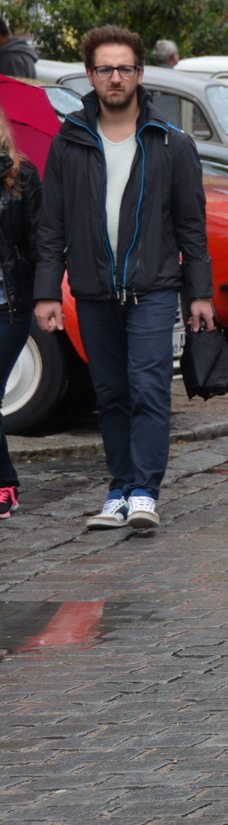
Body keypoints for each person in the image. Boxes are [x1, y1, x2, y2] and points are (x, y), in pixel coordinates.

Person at [33, 25, 215, 530]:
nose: (115, 77)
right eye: (105, 69)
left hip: (153, 288)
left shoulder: (169, 142)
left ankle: (144, 492)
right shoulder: (70, 139)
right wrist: (47, 291)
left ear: (139, 73)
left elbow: (191, 225)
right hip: (92, 290)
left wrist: (199, 292)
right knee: (109, 392)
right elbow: (51, 225)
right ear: (90, 75)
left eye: (125, 68)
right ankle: (117, 488)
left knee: (149, 389)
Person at [0, 108, 43, 519]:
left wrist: (45, 296)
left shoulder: (21, 176)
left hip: (7, 305)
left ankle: (4, 483)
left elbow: (38, 243)